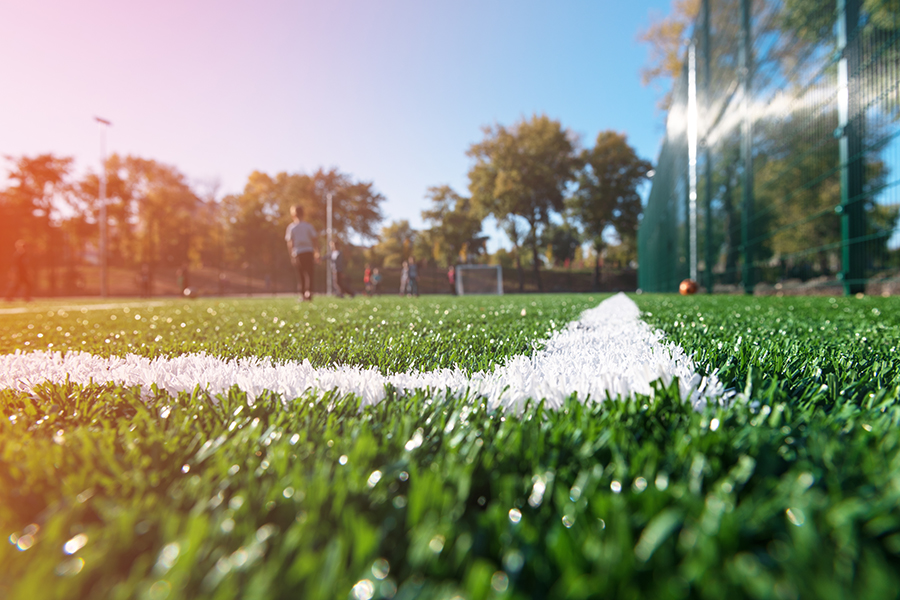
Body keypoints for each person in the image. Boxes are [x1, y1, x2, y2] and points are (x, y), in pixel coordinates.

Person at [285, 205, 318, 301]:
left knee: (301, 274)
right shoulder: (308, 226)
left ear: (293, 214)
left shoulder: (291, 227)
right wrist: (317, 252)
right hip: (308, 251)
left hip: (298, 253)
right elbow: (315, 240)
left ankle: (304, 294)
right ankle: (308, 293)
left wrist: (291, 255)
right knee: (309, 273)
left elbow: (290, 243)